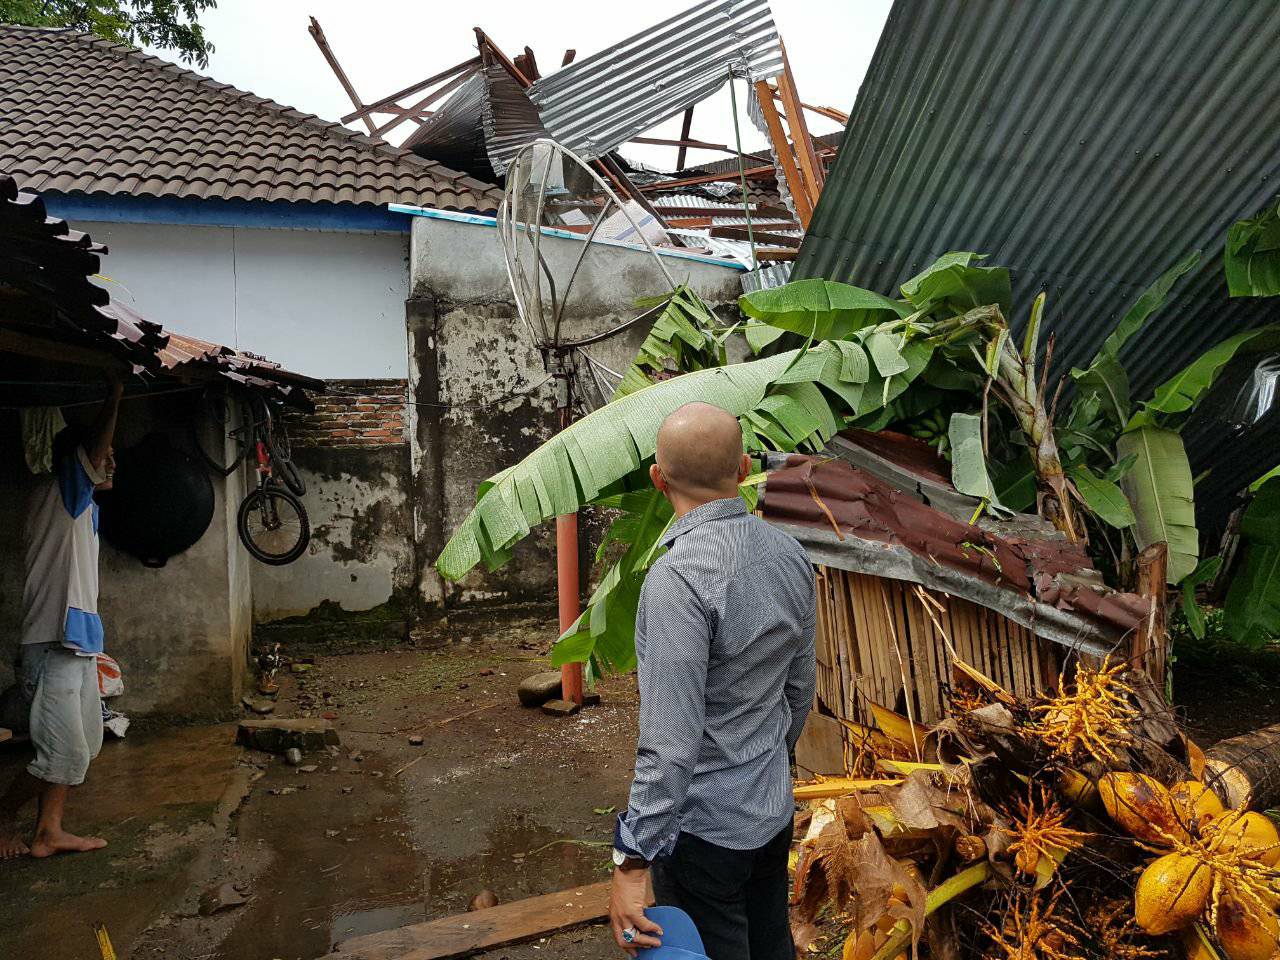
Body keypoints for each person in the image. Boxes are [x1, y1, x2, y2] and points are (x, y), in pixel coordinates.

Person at [609, 402, 817, 960]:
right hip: (772, 813)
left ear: (658, 480)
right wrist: (766, 762)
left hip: (703, 833)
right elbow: (800, 688)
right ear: (745, 466)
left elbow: (670, 746)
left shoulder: (677, 579)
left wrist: (631, 863)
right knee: (772, 945)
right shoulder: (790, 553)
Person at [0, 374, 122, 859]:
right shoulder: (61, 493)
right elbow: (92, 457)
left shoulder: (83, 506)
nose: (111, 462)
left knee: (83, 746)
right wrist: (113, 397)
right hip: (52, 646)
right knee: (63, 753)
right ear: (80, 460)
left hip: (75, 646)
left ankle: (48, 830)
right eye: (105, 455)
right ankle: (7, 817)